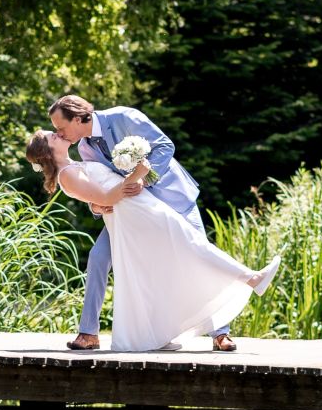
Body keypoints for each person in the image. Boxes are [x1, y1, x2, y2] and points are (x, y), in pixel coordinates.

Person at [26, 121, 278, 354]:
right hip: (135, 213)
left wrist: (104, 198)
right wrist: (137, 174)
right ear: (48, 153)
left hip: (139, 207)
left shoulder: (77, 160)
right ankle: (251, 279)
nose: (58, 133)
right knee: (190, 245)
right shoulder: (67, 173)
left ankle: (163, 333)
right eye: (52, 136)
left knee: (169, 259)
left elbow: (98, 194)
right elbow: (105, 197)